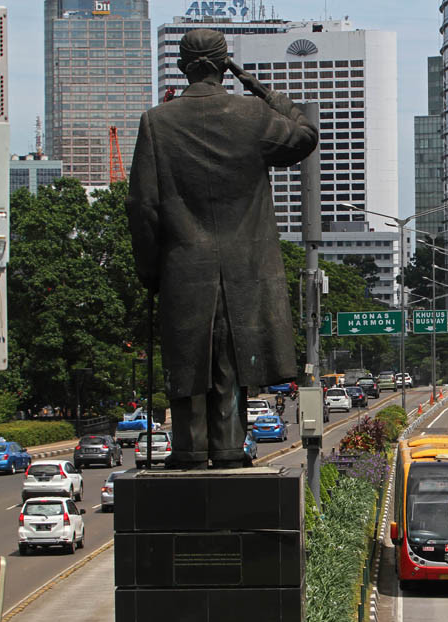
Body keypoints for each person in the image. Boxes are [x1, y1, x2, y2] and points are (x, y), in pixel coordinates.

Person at [127, 29, 317, 469]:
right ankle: (231, 449)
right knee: (230, 356)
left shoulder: (157, 122)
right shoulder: (250, 114)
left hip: (182, 266)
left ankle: (189, 451)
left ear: (182, 66)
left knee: (187, 362)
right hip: (243, 268)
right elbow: (305, 134)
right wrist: (256, 85)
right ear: (223, 64)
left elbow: (143, 206)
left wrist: (150, 270)